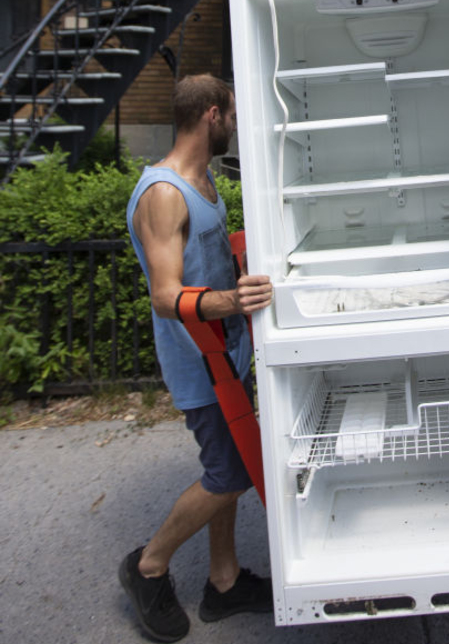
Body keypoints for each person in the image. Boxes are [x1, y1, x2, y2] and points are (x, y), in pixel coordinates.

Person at [120, 73, 274, 643]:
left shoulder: (204, 181)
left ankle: (224, 581)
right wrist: (233, 299)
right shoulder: (164, 193)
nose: (235, 125)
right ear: (212, 115)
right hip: (197, 362)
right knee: (228, 473)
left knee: (229, 469)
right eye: (231, 115)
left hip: (227, 354)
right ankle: (149, 566)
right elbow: (166, 296)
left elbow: (207, 259)